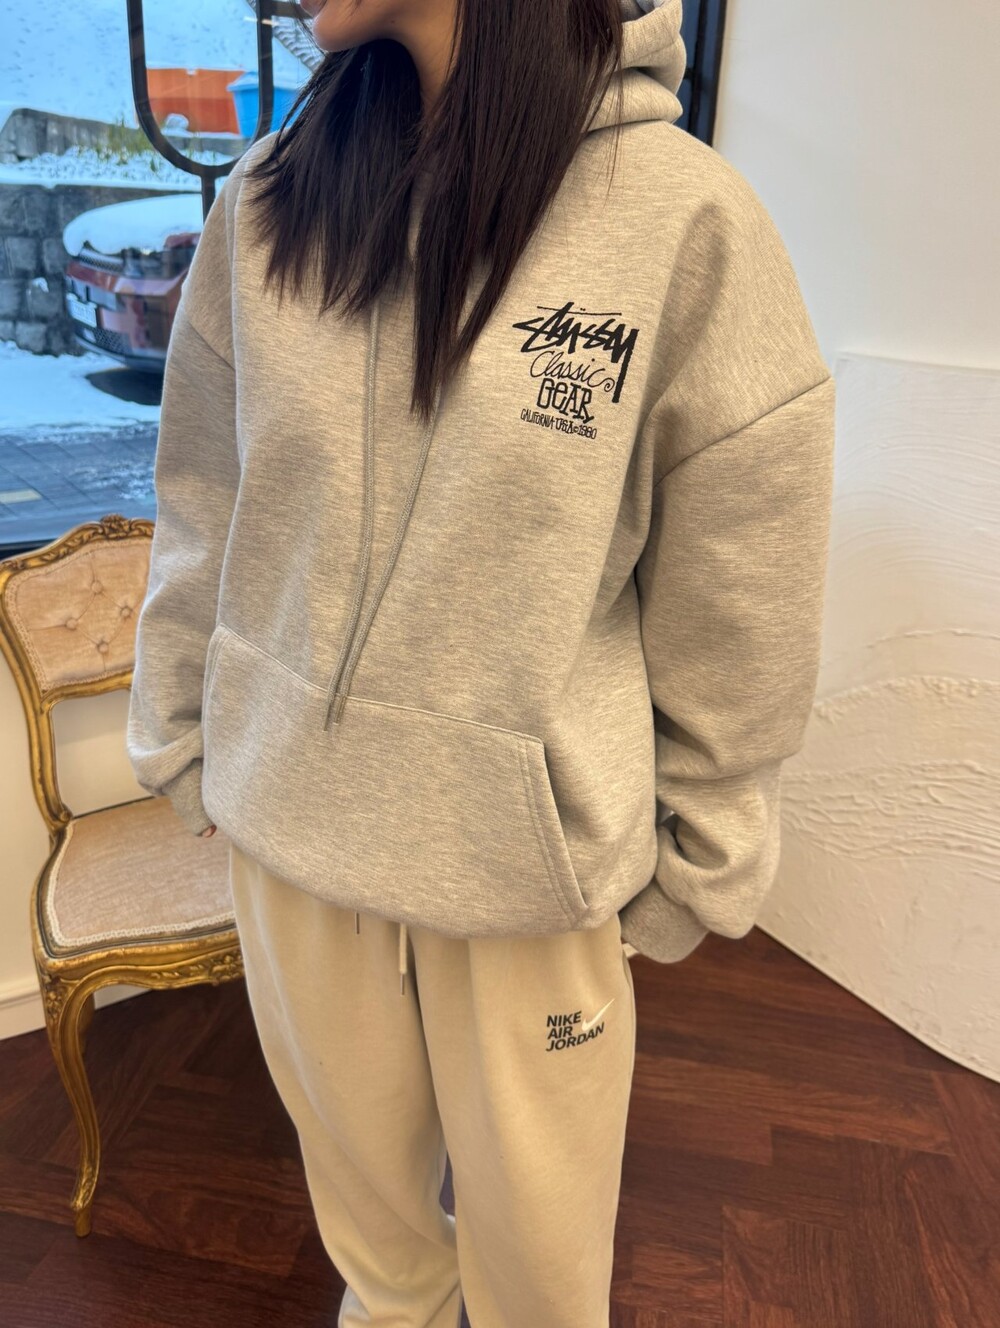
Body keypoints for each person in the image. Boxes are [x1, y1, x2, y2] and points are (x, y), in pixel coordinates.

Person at [126, 0, 835, 1323]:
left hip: (524, 883)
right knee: (383, 1269)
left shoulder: (682, 218)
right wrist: (184, 726)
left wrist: (704, 852)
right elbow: (206, 494)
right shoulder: (269, 201)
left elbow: (741, 583)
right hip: (293, 845)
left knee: (539, 1293)